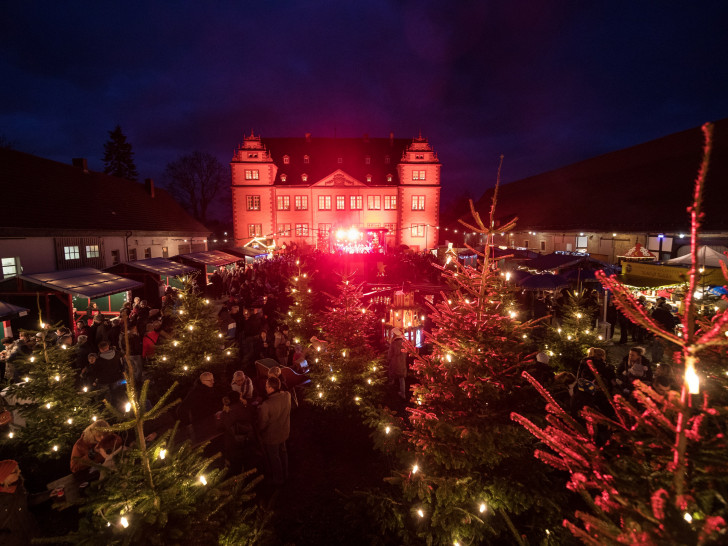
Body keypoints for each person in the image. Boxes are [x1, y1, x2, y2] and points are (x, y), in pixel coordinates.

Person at [258, 376, 291, 485]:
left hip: (272, 436)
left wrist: (260, 431)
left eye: (267, 386)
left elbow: (263, 423)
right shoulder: (287, 396)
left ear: (272, 388)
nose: (265, 388)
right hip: (284, 431)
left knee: (274, 457)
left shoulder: (266, 405)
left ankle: (278, 479)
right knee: (283, 452)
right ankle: (286, 473)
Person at [0, 459, 35, 545]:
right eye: (15, 471)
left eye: (18, 469)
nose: (19, 471)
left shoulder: (19, 488)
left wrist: (49, 494)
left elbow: (29, 500)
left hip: (27, 537)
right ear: (4, 477)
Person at [387, 329, 407, 399]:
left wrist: (389, 359)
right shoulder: (404, 343)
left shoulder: (393, 344)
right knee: (402, 379)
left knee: (392, 373)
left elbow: (390, 354)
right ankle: (403, 394)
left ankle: (391, 387)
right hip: (402, 362)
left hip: (394, 362)